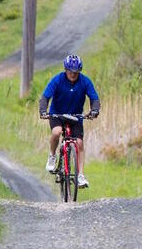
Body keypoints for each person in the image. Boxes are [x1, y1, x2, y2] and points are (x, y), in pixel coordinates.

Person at [39, 54, 100, 188]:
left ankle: (80, 176)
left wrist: (94, 110)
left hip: (76, 116)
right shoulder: (57, 80)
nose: (73, 75)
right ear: (65, 70)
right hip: (57, 115)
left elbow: (94, 98)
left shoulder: (85, 81)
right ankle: (52, 156)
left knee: (79, 143)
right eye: (70, 72)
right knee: (56, 132)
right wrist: (43, 111)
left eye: (76, 72)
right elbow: (45, 97)